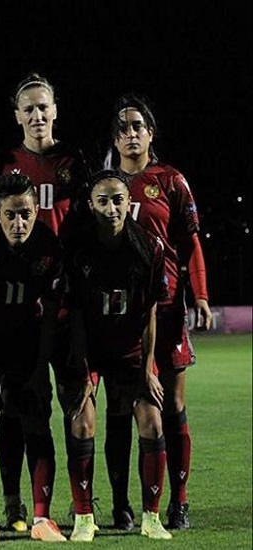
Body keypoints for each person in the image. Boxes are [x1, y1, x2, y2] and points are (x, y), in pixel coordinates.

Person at [0, 72, 90, 533]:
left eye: (43, 106)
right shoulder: (3, 163)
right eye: (28, 108)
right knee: (16, 406)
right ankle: (13, 504)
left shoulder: (75, 162)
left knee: (76, 406)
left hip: (64, 303)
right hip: (17, 309)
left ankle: (82, 506)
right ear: (17, 116)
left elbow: (86, 227)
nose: (37, 115)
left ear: (55, 110)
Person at [102, 92, 212, 530]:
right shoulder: (104, 184)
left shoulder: (170, 180)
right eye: (123, 128)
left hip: (165, 312)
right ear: (114, 138)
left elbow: (190, 243)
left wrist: (200, 296)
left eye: (138, 126)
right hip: (118, 314)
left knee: (172, 404)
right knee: (119, 405)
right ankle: (120, 505)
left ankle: (178, 502)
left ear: (150, 133)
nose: (131, 134)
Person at [62, 169, 172, 541]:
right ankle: (83, 517)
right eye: (103, 201)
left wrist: (148, 370)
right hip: (91, 352)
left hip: (130, 351)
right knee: (81, 422)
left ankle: (151, 518)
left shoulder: (148, 247)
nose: (111, 208)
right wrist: (82, 373)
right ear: (90, 205)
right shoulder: (78, 249)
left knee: (153, 422)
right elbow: (76, 315)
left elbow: (150, 313)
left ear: (129, 202)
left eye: (118, 200)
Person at [0, 172, 67, 544]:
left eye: (25, 214)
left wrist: (40, 368)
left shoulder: (48, 246)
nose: (18, 222)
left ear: (36, 210)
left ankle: (42, 517)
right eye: (10, 215)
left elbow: (51, 314)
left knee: (36, 421)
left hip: (27, 345)